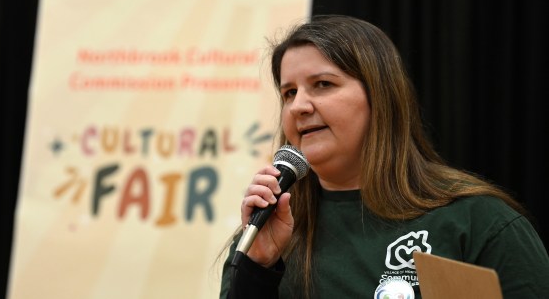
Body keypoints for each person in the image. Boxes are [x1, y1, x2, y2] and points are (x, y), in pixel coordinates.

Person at [219, 15, 549, 298]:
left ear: (381, 97)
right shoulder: (263, 232)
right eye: (289, 93)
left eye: (322, 84)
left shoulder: (477, 222)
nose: (299, 106)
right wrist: (258, 269)